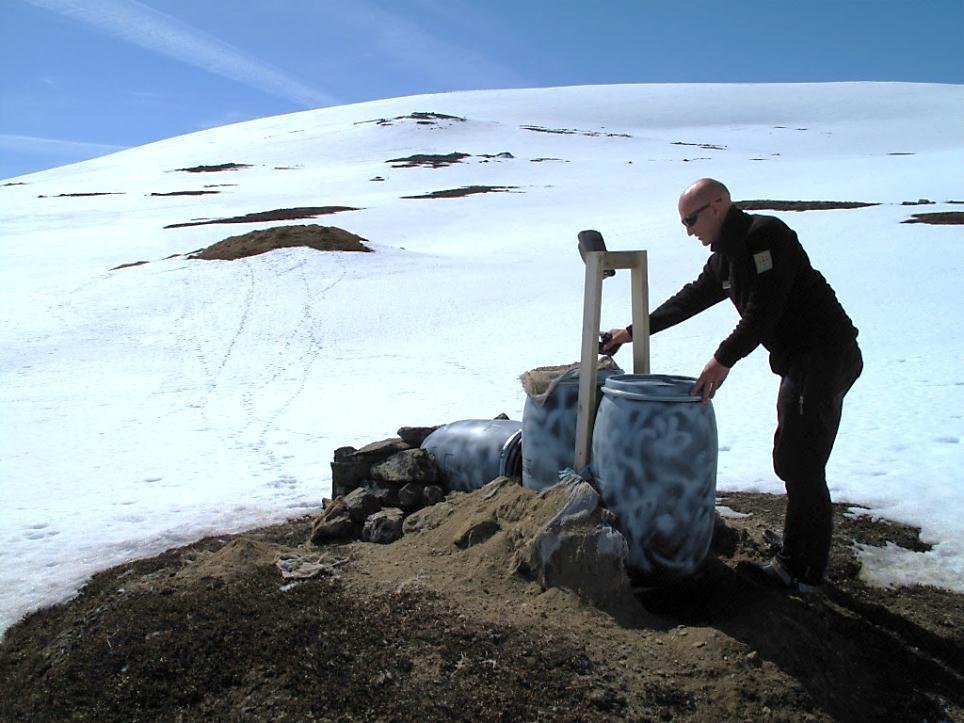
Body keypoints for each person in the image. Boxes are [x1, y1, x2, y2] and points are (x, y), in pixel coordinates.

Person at [602, 178, 862, 592]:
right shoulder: (725, 257)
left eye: (691, 219)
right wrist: (632, 331)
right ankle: (800, 548)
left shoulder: (765, 236)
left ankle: (802, 570)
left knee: (801, 459)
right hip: (803, 361)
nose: (689, 231)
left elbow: (765, 311)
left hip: (825, 354)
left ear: (718, 205)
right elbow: (690, 299)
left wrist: (721, 360)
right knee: (794, 456)